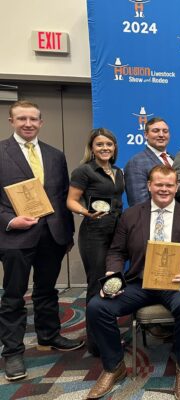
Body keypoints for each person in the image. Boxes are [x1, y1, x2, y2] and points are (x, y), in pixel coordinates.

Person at [86, 165, 180, 400]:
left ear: (176, 187)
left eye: (169, 185)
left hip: (177, 282)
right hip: (139, 282)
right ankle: (114, 367)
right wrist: (113, 274)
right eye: (159, 184)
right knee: (97, 307)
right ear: (149, 186)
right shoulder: (131, 215)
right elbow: (117, 252)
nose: (164, 189)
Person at [0, 100, 81, 381]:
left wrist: (67, 234)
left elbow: (61, 197)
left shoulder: (55, 155)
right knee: (13, 296)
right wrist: (10, 221)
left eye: (33, 119)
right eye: (21, 119)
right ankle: (12, 352)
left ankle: (49, 335)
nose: (28, 124)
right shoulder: (0, 152)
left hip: (52, 236)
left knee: (47, 290)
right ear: (11, 121)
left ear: (41, 122)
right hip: (15, 237)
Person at [66, 128, 124, 356]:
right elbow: (70, 201)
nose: (105, 148)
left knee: (113, 283)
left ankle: (109, 332)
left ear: (114, 148)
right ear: (92, 148)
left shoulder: (118, 171)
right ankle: (96, 343)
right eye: (100, 145)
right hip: (94, 234)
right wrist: (85, 212)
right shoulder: (84, 171)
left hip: (116, 232)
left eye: (109, 144)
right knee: (96, 285)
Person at [124, 117, 173, 206]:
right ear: (146, 135)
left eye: (165, 131)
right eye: (156, 131)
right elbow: (139, 204)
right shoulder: (136, 163)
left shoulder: (174, 159)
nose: (161, 135)